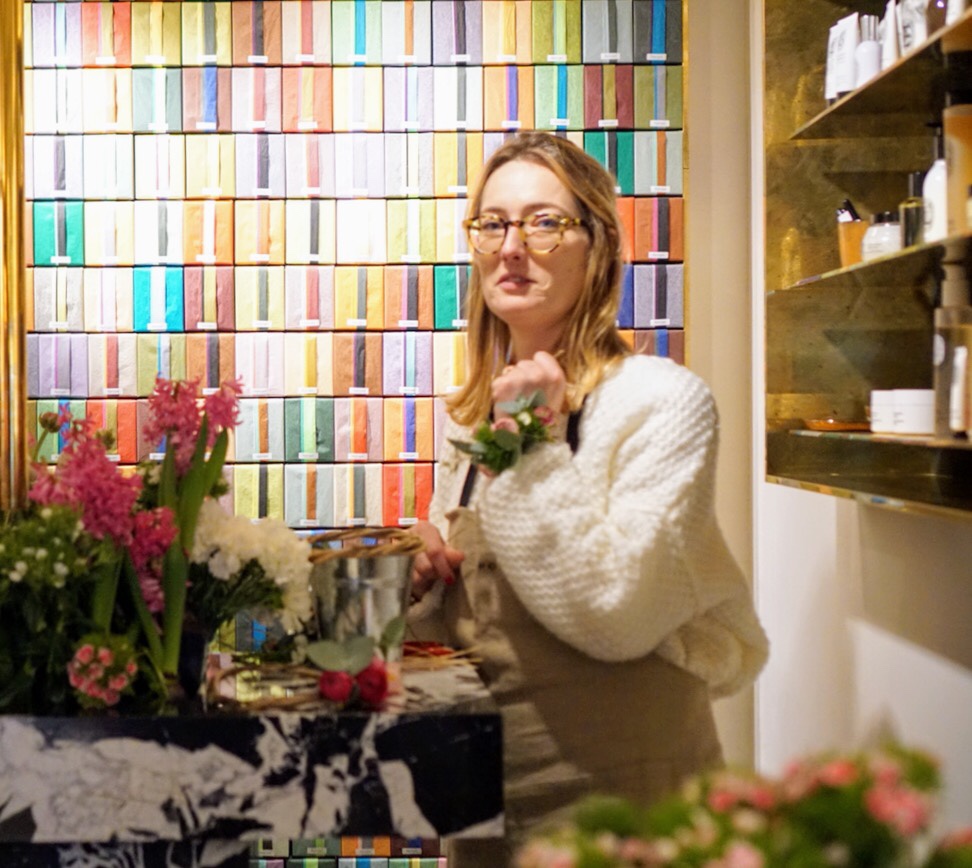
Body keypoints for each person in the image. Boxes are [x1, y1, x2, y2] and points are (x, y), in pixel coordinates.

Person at [407, 131, 769, 866]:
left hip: (631, 799)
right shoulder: (472, 420)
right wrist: (422, 569)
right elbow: (478, 619)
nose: (513, 247)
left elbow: (616, 614)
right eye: (493, 224)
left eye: (544, 223)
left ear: (597, 247)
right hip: (490, 799)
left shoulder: (662, 402)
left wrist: (531, 442)